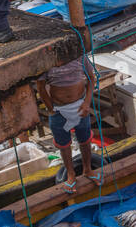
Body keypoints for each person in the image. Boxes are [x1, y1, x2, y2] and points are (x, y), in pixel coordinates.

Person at [36, 57, 96, 193]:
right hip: (58, 110)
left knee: (85, 139)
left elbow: (91, 78)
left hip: (80, 105)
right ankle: (71, 174)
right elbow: (40, 87)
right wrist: (50, 108)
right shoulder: (47, 60)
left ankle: (88, 169)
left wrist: (87, 103)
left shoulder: (80, 55)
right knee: (63, 144)